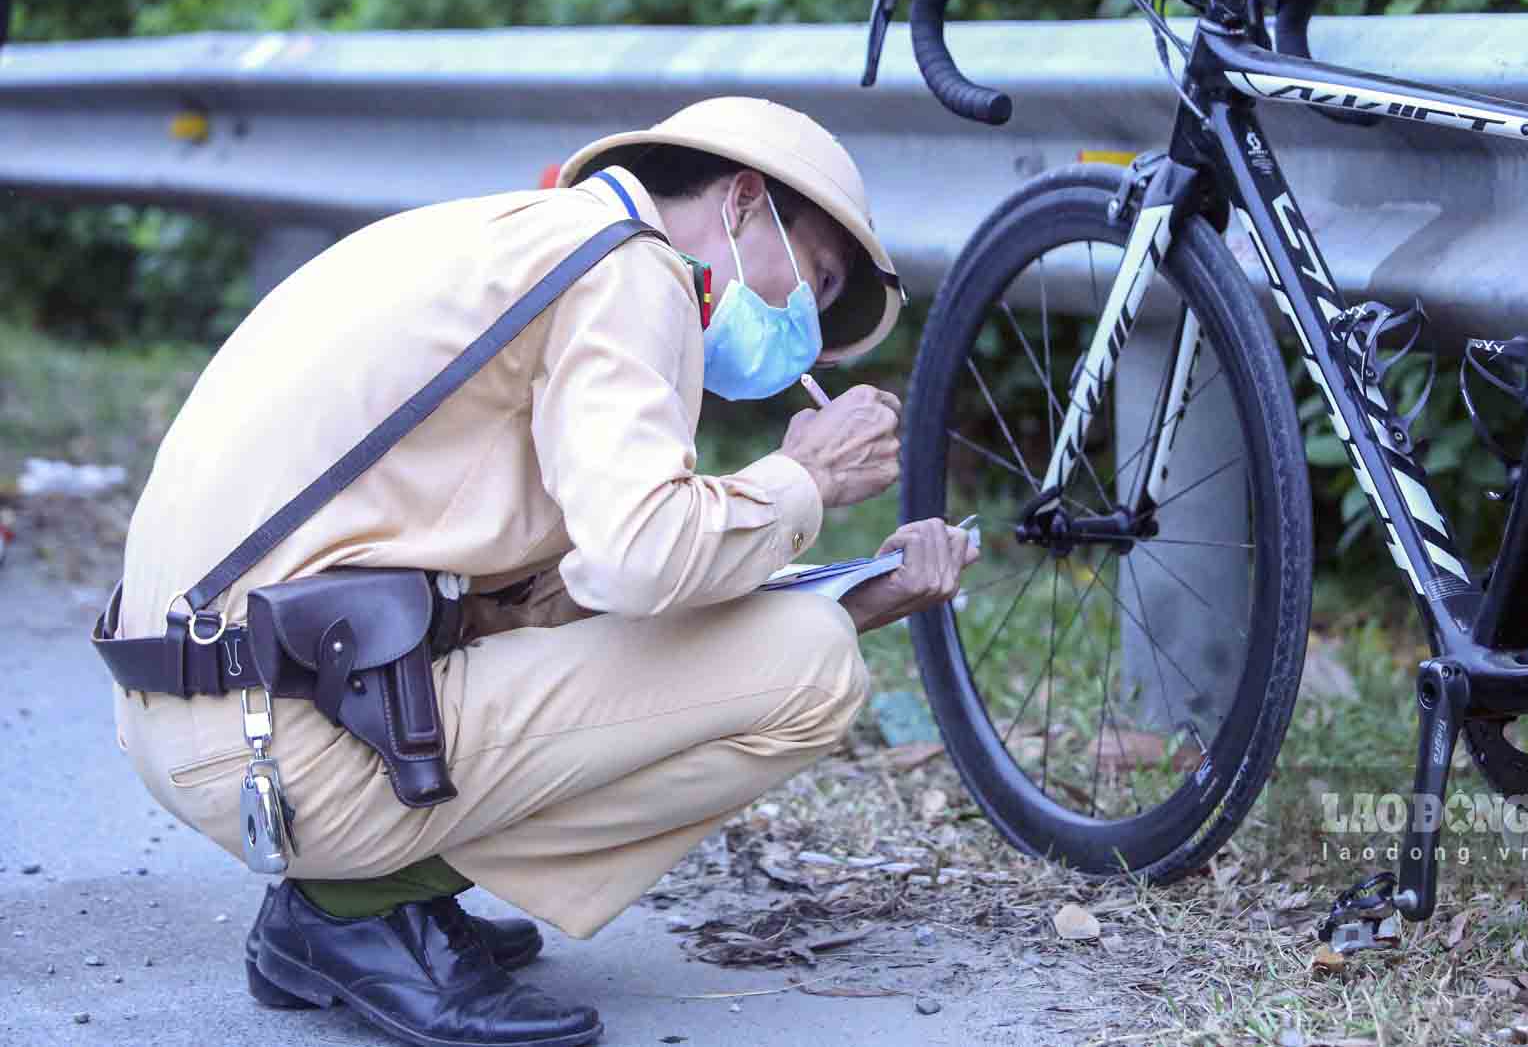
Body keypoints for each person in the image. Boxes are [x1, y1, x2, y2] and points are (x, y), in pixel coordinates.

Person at [104, 96, 980, 1047]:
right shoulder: (631, 271)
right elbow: (639, 559)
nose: (801, 319)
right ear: (740, 201)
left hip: (201, 712)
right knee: (810, 669)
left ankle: (358, 896)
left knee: (796, 625)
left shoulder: (511, 238)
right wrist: (804, 480)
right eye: (812, 276)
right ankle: (360, 904)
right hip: (280, 747)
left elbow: (562, 590)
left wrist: (866, 590)